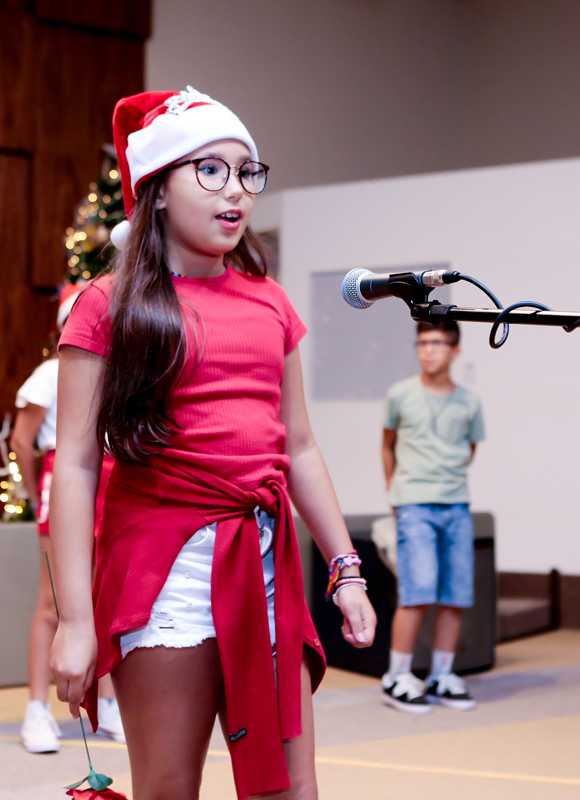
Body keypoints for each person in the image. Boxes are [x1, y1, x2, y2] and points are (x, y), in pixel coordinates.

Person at [49, 86, 377, 800]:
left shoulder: (270, 301)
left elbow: (299, 447)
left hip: (264, 566)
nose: (236, 191)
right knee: (168, 787)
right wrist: (75, 621)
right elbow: (73, 465)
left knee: (292, 790)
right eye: (210, 170)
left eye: (247, 172)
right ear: (158, 188)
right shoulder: (107, 306)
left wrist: (345, 569)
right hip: (165, 576)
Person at [9, 285, 124, 753]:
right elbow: (22, 440)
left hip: (115, 478)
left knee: (106, 597)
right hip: (65, 475)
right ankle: (37, 708)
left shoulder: (121, 370)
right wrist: (36, 489)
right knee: (53, 601)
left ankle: (110, 702)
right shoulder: (49, 371)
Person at [380, 319, 485, 713]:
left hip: (456, 504)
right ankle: (397, 676)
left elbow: (470, 448)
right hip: (414, 503)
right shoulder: (400, 394)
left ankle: (442, 674)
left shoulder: (470, 402)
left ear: (455, 350)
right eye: (422, 343)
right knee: (418, 590)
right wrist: (395, 491)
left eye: (437, 343)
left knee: (456, 593)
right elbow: (387, 445)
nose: (428, 350)